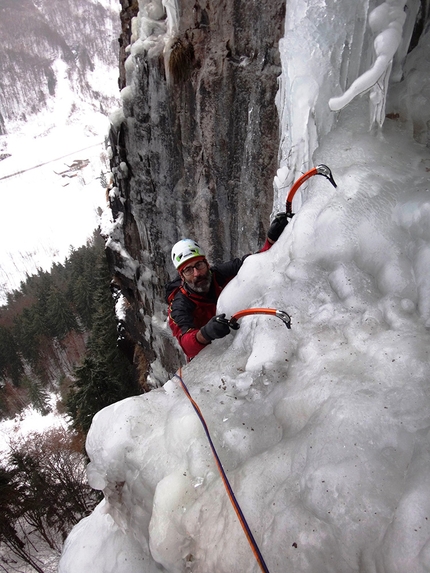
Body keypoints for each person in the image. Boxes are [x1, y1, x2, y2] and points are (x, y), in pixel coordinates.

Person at [166, 213, 289, 360]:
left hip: (240, 337)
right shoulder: (180, 304)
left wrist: (272, 240)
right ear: (182, 277)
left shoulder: (219, 273)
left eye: (199, 265)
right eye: (188, 270)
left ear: (207, 264)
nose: (197, 273)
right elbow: (186, 344)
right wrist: (205, 333)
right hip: (210, 356)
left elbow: (256, 263)